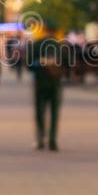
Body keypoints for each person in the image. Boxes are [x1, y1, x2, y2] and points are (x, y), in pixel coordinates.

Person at [27, 19, 65, 151]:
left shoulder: (37, 44)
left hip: (40, 83)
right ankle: (53, 140)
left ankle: (41, 138)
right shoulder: (61, 46)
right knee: (54, 112)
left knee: (40, 111)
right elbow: (67, 66)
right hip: (55, 83)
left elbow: (29, 66)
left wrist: (41, 63)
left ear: (45, 29)